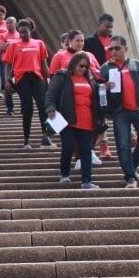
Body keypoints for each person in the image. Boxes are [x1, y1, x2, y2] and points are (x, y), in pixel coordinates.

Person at [99, 36, 139, 188]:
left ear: (126, 49)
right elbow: (97, 89)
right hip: (120, 111)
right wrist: (104, 87)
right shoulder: (106, 68)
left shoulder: (136, 65)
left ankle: (131, 169)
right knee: (123, 144)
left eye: (117, 48)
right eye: (110, 48)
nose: (113, 51)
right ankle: (130, 178)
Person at [46, 51, 103, 189]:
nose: (83, 69)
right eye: (81, 66)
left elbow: (96, 99)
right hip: (68, 119)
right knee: (68, 147)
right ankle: (65, 174)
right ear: (74, 63)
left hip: (87, 121)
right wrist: (50, 109)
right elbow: (51, 94)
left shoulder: (90, 79)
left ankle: (87, 181)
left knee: (86, 150)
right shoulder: (63, 76)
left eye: (86, 67)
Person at [3, 19, 53, 149]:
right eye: (20, 33)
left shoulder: (39, 43)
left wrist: (49, 80)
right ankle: (26, 140)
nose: (22, 35)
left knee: (43, 106)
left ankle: (45, 136)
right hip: (22, 79)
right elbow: (8, 65)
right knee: (27, 109)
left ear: (30, 31)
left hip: (37, 77)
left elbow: (43, 64)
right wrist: (7, 81)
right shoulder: (13, 45)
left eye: (25, 32)